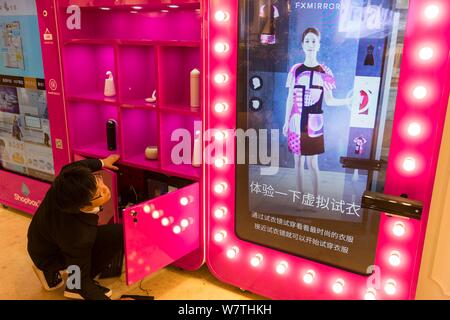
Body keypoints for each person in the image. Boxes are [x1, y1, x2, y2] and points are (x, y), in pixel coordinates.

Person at [27, 155, 123, 300]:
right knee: (80, 271)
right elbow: (80, 281)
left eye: (98, 180)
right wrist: (78, 284)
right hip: (50, 255)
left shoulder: (68, 179)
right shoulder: (78, 237)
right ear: (82, 206)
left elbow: (81, 166)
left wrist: (102, 162)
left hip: (43, 239)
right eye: (99, 194)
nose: (105, 189)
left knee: (118, 232)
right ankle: (58, 278)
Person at [283, 27, 351, 196]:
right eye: (307, 41)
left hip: (314, 123)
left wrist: (348, 101)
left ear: (319, 45)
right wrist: (286, 121)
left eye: (314, 41)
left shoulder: (325, 72)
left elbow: (329, 100)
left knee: (313, 164)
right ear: (302, 45)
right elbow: (290, 98)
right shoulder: (295, 69)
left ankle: (314, 199)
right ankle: (299, 199)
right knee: (297, 163)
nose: (310, 44)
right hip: (296, 122)